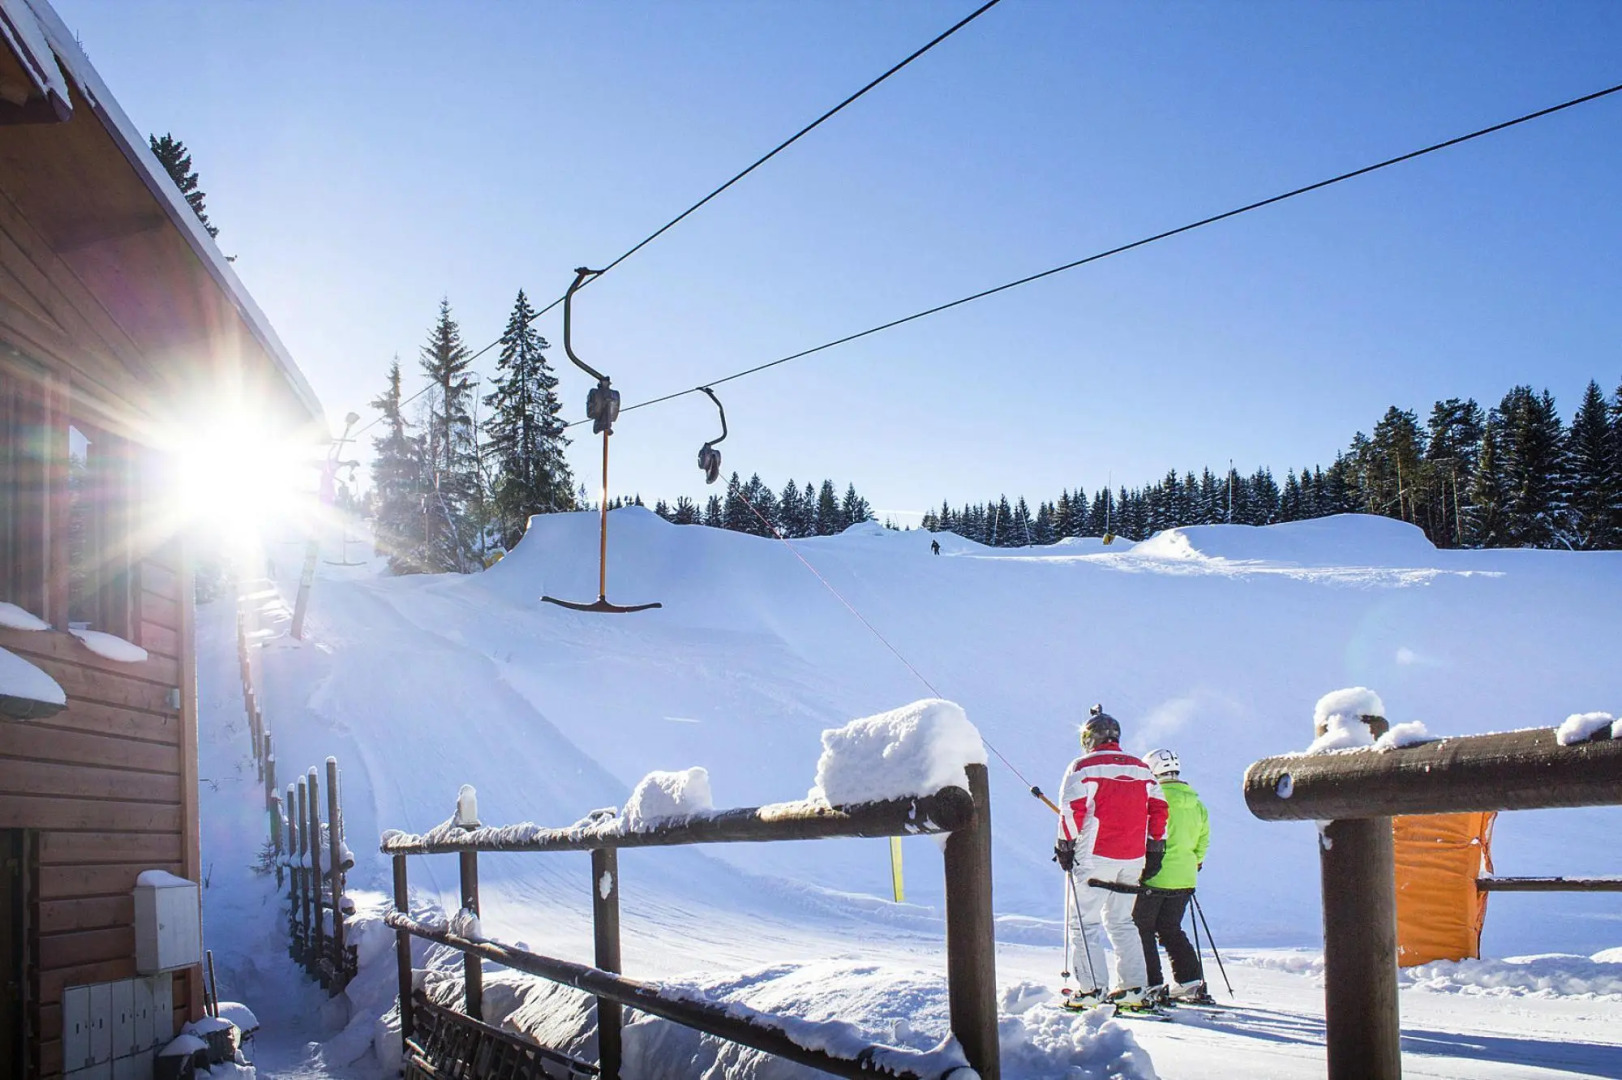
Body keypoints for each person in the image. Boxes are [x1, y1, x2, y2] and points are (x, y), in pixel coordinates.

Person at [1053, 707, 1168, 1008]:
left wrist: (1065, 846)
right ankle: (1134, 988)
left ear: (1089, 738)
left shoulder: (1083, 766)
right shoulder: (1143, 769)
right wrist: (1155, 849)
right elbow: (1159, 810)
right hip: (1133, 858)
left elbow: (1072, 810)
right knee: (1122, 921)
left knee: (1084, 923)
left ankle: (1092, 990)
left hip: (1095, 855)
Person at [1132, 748, 1212, 1005]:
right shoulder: (1196, 803)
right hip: (1186, 877)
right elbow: (1203, 840)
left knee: (1141, 927)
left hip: (1155, 875)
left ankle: (1151, 983)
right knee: (1170, 927)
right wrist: (1195, 862)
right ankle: (1190, 982)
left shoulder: (1152, 799)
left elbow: (1143, 833)